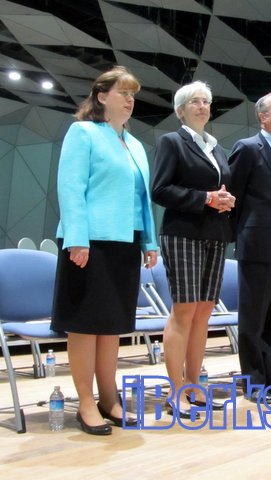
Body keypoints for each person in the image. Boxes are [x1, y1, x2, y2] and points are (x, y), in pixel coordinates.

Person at [51, 66, 158, 435]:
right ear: (101, 96)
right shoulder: (83, 133)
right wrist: (77, 238)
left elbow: (142, 200)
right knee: (85, 325)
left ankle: (109, 398)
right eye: (122, 93)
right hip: (89, 242)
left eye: (133, 94)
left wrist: (149, 241)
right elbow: (70, 187)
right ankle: (85, 402)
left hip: (125, 242)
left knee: (112, 326)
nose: (130, 100)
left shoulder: (135, 144)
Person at [151, 81, 235, 417]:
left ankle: (195, 385)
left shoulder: (216, 148)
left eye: (206, 101)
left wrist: (224, 200)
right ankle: (176, 393)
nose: (202, 106)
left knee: (204, 311)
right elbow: (160, 189)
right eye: (194, 101)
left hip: (215, 232)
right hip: (183, 233)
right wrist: (206, 198)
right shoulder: (172, 142)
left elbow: (219, 188)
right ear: (180, 110)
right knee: (184, 311)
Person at [228, 92, 271, 403]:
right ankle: (254, 381)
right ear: (262, 116)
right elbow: (233, 197)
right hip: (256, 245)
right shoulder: (246, 148)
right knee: (253, 318)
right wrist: (240, 237)